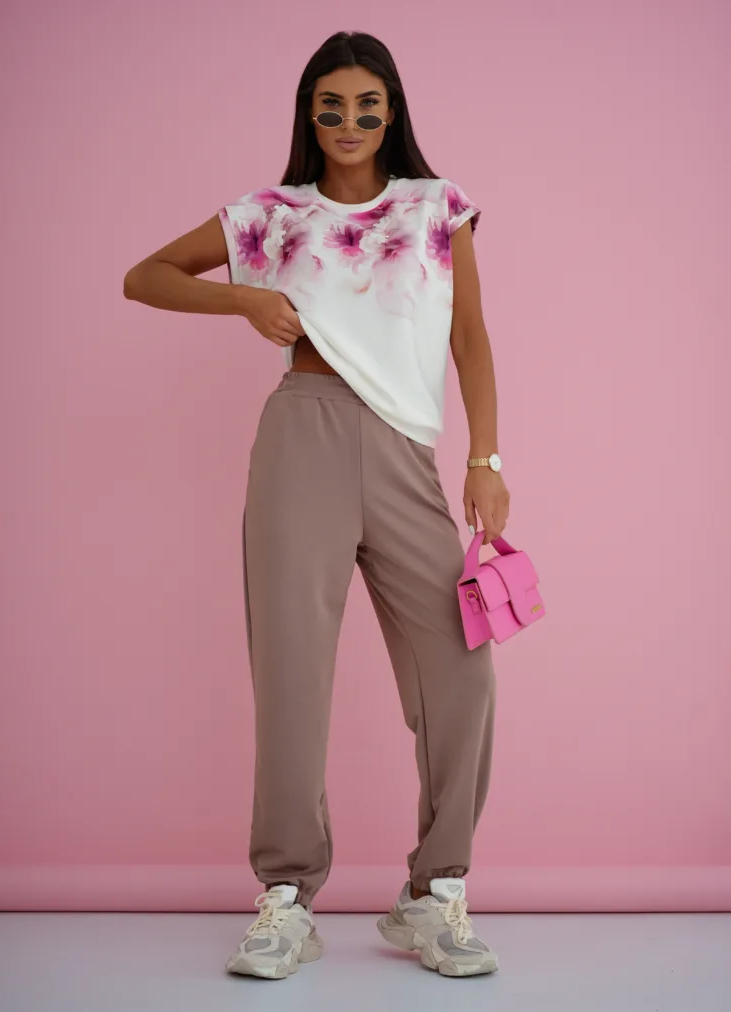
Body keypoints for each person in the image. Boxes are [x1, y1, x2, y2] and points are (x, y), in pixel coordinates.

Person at [124, 30, 510, 981]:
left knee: (462, 670)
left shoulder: (436, 205)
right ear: (309, 112)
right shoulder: (273, 214)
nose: (348, 121)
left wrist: (486, 457)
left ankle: (434, 894)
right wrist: (244, 303)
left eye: (367, 105)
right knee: (293, 672)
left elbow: (469, 337)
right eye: (330, 105)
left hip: (406, 451)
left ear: (392, 111)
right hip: (304, 432)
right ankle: (287, 897)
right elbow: (146, 276)